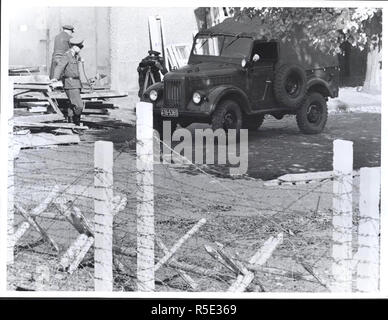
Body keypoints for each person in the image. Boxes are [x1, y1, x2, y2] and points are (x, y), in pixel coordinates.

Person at [51, 37, 84, 125]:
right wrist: (55, 78)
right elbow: (60, 66)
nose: (80, 49)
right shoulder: (67, 55)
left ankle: (72, 124)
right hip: (70, 84)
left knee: (72, 104)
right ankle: (76, 123)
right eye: (79, 47)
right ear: (74, 46)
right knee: (79, 105)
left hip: (76, 84)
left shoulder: (75, 56)